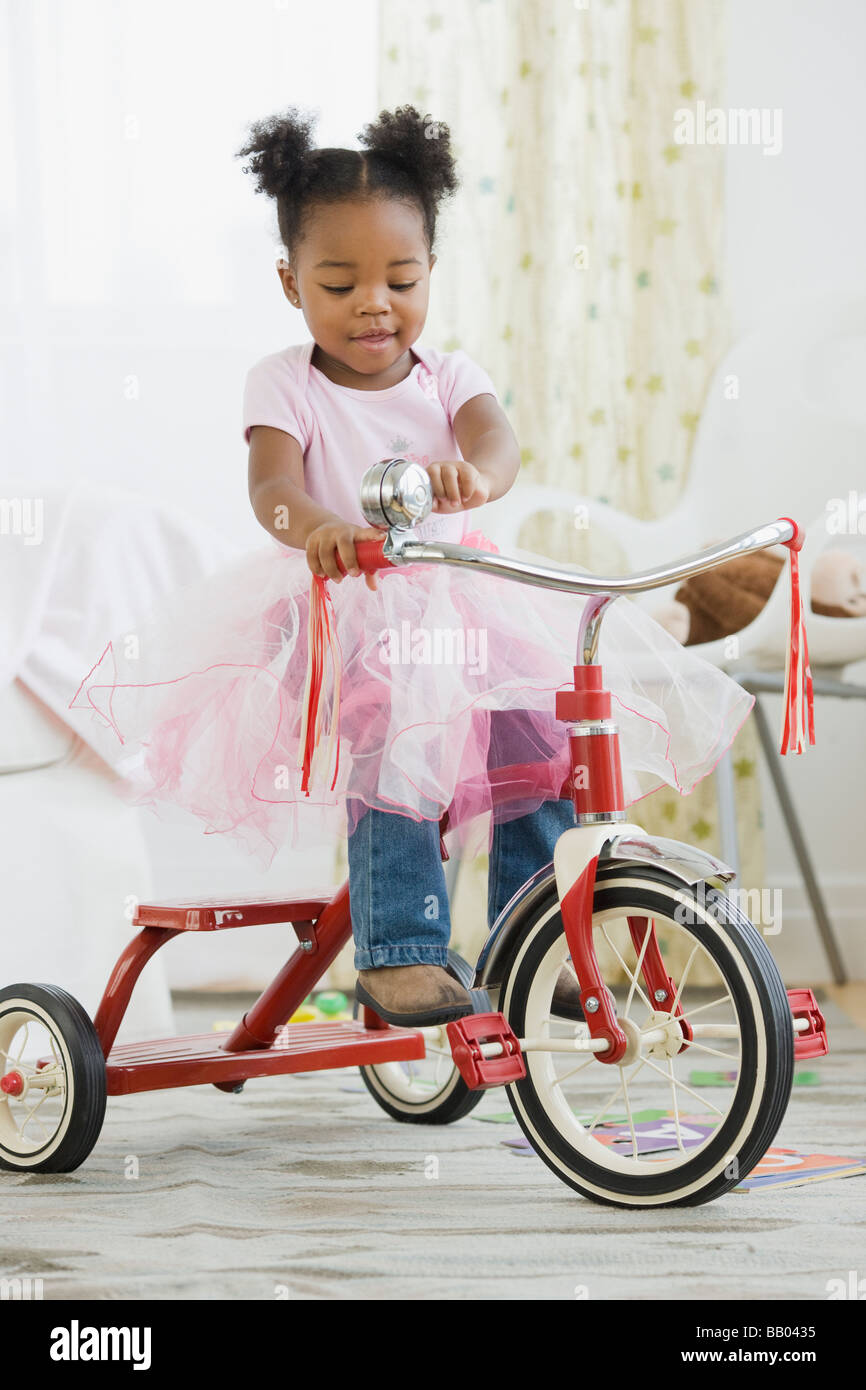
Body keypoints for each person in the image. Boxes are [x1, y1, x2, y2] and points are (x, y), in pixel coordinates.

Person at [69, 104, 754, 1026]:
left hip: (464, 602)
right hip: (345, 606)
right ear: (290, 282)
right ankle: (400, 949)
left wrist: (476, 474)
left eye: (399, 278)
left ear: (430, 271)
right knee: (395, 742)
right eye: (340, 282)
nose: (373, 304)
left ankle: (540, 931)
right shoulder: (285, 382)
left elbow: (498, 446)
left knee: (540, 739)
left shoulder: (451, 376)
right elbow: (271, 486)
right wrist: (315, 525)